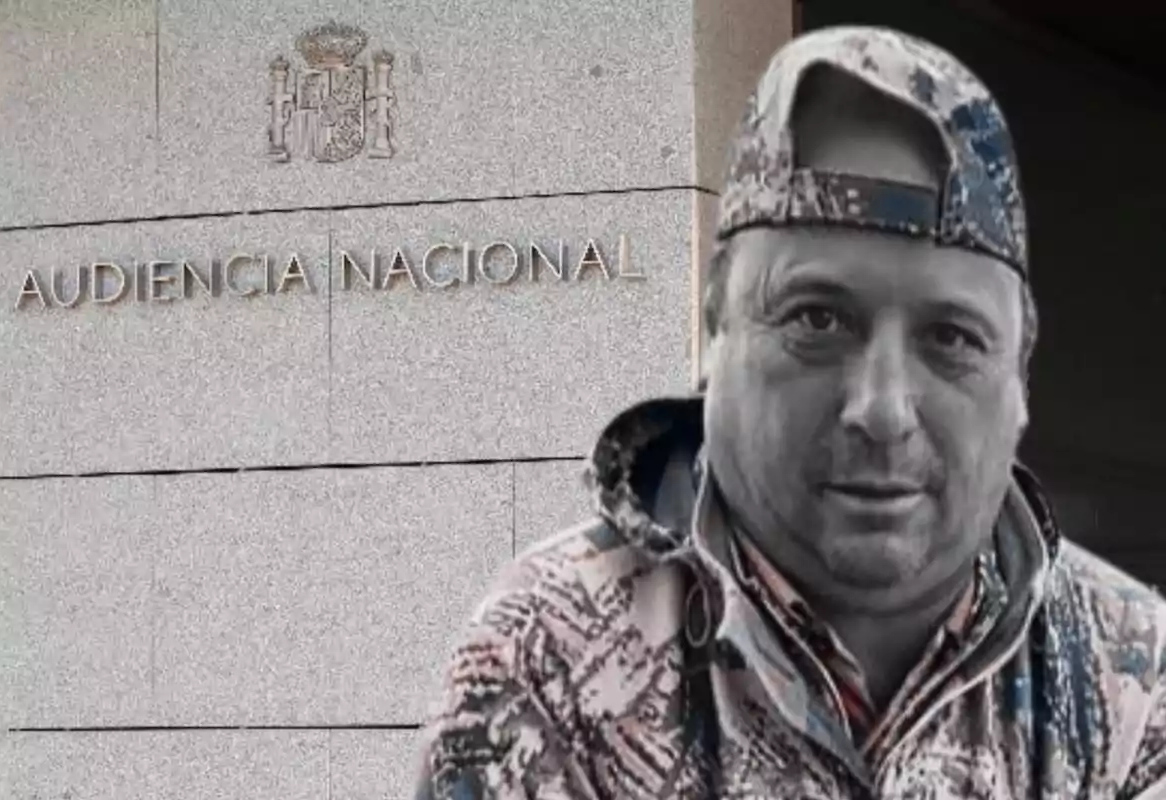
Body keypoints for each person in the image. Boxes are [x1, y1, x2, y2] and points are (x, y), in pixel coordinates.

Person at [413, 25, 1166, 799]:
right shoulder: (552, 658)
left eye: (950, 336)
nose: (882, 410)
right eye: (817, 320)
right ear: (715, 325)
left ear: (1020, 368)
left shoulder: (1130, 680)